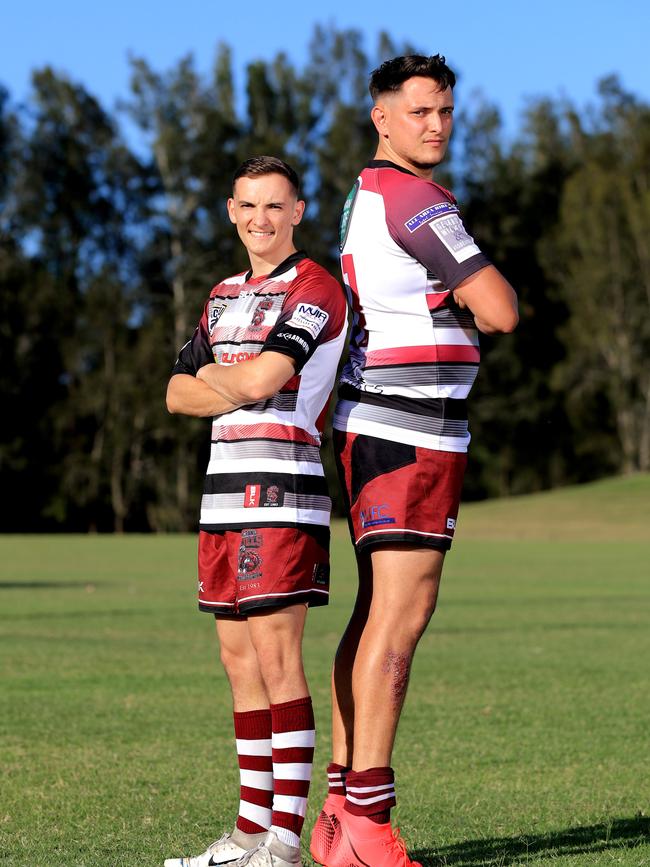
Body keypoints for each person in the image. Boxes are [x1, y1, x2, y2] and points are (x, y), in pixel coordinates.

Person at [309, 55, 519, 867]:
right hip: (411, 428)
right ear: (383, 118)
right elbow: (500, 307)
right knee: (401, 617)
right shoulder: (416, 197)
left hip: (385, 425)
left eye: (446, 111)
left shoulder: (369, 192)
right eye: (421, 110)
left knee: (374, 614)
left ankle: (338, 811)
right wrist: (462, 288)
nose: (436, 124)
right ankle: (368, 819)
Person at [164, 156, 347, 867]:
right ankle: (246, 833)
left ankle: (285, 838)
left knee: (277, 659)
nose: (260, 220)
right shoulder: (219, 295)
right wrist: (223, 382)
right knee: (237, 660)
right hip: (219, 493)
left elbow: (267, 378)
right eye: (248, 206)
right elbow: (176, 395)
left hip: (281, 490)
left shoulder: (315, 287)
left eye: (275, 206)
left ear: (298, 210)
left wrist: (217, 376)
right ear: (231, 210)